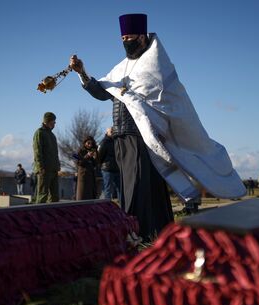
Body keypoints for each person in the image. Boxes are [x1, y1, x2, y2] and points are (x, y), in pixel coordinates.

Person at [70, 14, 245, 237]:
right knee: (130, 188)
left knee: (143, 187)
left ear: (142, 37)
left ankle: (144, 233)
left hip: (142, 138)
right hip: (122, 138)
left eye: (130, 36)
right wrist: (82, 73)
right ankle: (140, 231)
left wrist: (130, 96)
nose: (126, 41)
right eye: (123, 37)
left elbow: (162, 102)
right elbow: (102, 92)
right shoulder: (121, 68)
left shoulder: (155, 66)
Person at [33, 112, 60, 203]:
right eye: (53, 121)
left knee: (54, 197)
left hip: (53, 169)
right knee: (42, 196)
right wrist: (40, 167)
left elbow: (55, 153)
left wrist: (57, 166)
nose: (54, 124)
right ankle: (38, 216)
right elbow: (37, 152)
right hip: (44, 170)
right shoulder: (39, 133)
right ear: (48, 121)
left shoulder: (52, 135)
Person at [98, 127, 120, 199]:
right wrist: (102, 165)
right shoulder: (104, 142)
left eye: (114, 131)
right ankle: (107, 206)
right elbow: (99, 155)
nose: (113, 132)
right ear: (107, 132)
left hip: (116, 168)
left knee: (120, 188)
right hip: (107, 169)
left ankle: (122, 206)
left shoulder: (116, 141)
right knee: (108, 189)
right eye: (111, 131)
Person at [76, 136, 98, 200]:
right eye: (88, 143)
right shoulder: (81, 151)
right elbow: (79, 163)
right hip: (83, 176)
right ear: (85, 143)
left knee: (91, 196)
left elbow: (95, 164)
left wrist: (95, 157)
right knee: (82, 196)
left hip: (91, 176)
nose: (90, 145)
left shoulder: (93, 151)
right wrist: (87, 156)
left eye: (91, 143)